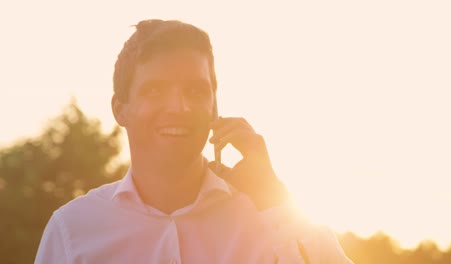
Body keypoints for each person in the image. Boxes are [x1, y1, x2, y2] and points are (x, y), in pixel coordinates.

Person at [35, 19, 353, 263]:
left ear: (215, 106)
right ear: (120, 109)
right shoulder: (72, 230)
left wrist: (276, 198)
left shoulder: (272, 222)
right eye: (155, 90)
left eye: (196, 91)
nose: (179, 108)